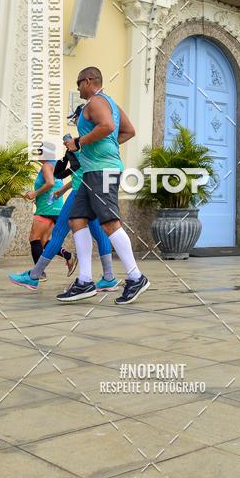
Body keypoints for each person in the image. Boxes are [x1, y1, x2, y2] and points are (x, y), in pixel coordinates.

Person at [58, 66, 150, 305]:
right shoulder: (111, 103)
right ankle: (85, 281)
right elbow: (127, 131)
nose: (78, 88)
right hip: (91, 172)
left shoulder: (96, 102)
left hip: (102, 171)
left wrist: (80, 142)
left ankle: (135, 277)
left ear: (88, 81)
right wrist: (100, 144)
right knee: (77, 219)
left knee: (109, 222)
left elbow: (108, 127)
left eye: (79, 83)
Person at [8, 163, 118, 291]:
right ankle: (108, 278)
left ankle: (34, 276)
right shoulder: (89, 150)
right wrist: (64, 189)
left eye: (66, 141)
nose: (66, 143)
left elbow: (81, 170)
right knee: (99, 232)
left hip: (81, 191)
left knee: (59, 232)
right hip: (91, 188)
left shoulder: (80, 146)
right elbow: (81, 171)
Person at [23, 142, 74, 278]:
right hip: (56, 207)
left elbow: (50, 183)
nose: (37, 155)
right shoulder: (56, 165)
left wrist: (34, 193)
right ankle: (68, 256)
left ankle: (38, 273)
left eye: (39, 152)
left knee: (34, 238)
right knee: (44, 242)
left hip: (46, 208)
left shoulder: (46, 165)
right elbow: (53, 185)